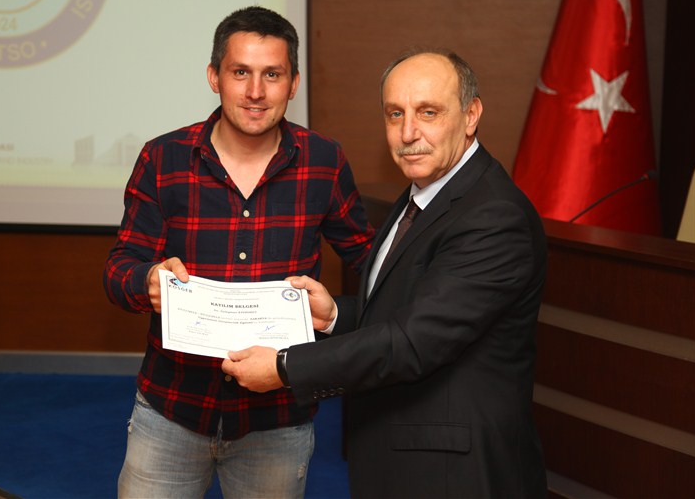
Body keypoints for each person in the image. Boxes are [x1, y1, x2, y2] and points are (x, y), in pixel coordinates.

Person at [221, 48, 549, 498]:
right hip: (405, 455)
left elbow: (413, 342)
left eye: (428, 112)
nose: (408, 133)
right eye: (395, 114)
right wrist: (335, 315)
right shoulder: (424, 193)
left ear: (471, 115)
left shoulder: (493, 216)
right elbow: (405, 311)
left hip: (454, 473)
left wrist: (285, 367)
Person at [103, 6, 373, 498]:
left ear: (293, 84)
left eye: (272, 74)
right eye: (240, 72)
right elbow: (118, 269)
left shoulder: (324, 161)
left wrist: (340, 313)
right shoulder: (163, 158)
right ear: (214, 77)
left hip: (278, 417)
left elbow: (372, 261)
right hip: (172, 408)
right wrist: (146, 281)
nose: (255, 92)